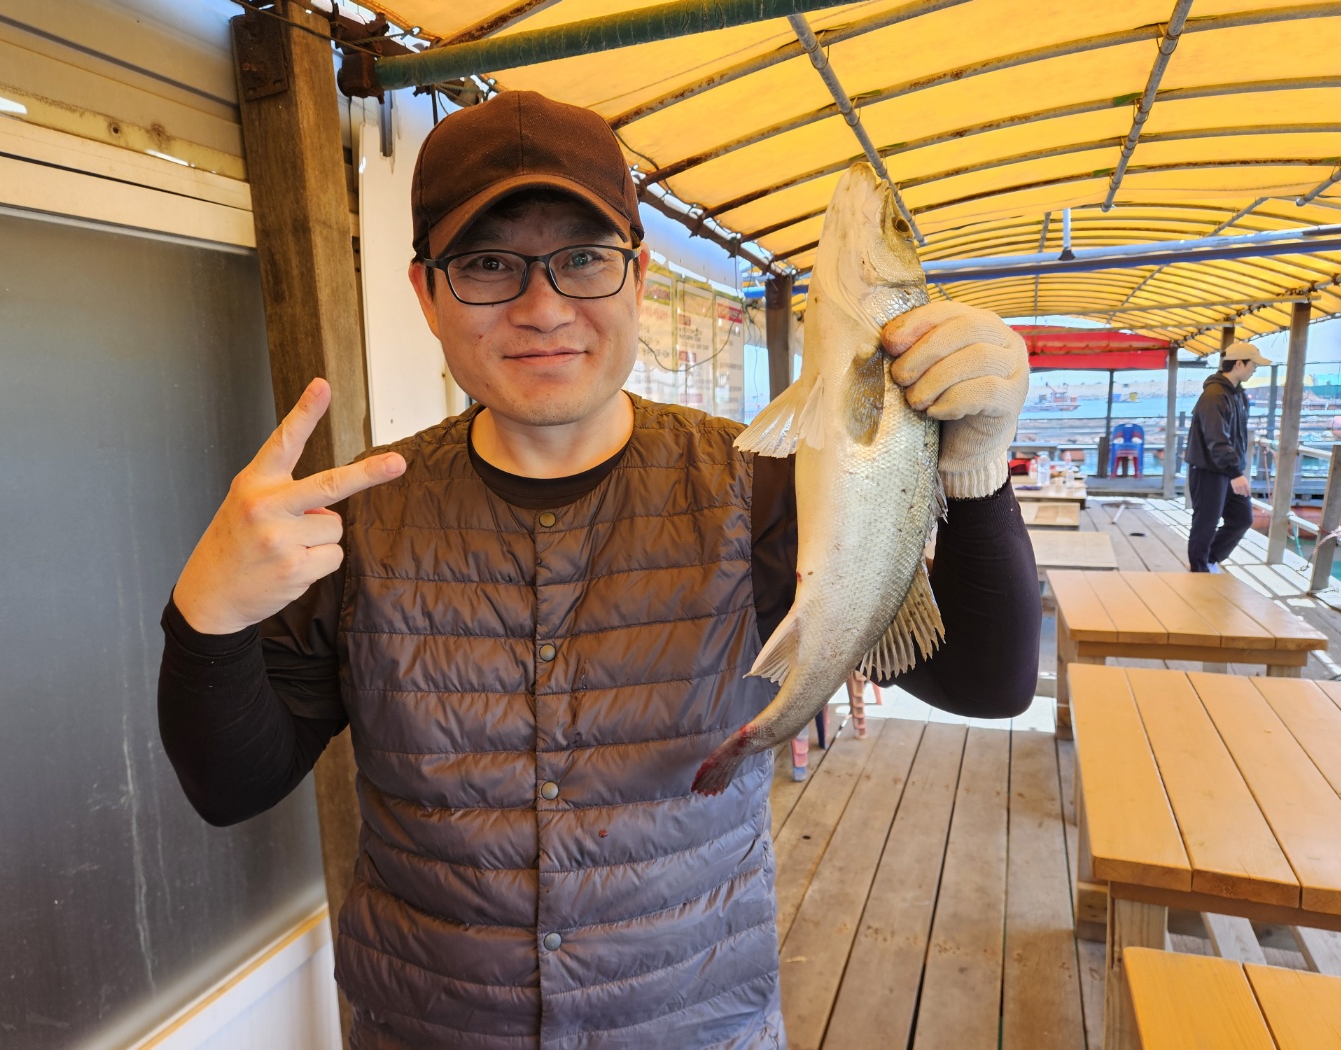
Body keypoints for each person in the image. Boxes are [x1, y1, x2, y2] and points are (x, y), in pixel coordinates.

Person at [157, 90, 1040, 1049]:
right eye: (487, 265)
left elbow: (985, 686)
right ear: (425, 294)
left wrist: (976, 469)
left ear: (639, 275)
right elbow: (234, 787)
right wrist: (206, 615)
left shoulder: (762, 484)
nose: (543, 308)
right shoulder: (360, 518)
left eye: (583, 258)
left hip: (697, 1028)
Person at [1184, 341, 1270, 572]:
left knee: (1242, 518)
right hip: (1209, 469)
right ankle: (1199, 569)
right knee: (1206, 521)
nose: (1255, 370)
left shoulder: (1237, 395)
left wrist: (1236, 470)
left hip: (1229, 470)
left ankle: (1209, 560)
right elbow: (1216, 437)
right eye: (1253, 365)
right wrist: (1235, 472)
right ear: (1239, 363)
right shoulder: (1214, 395)